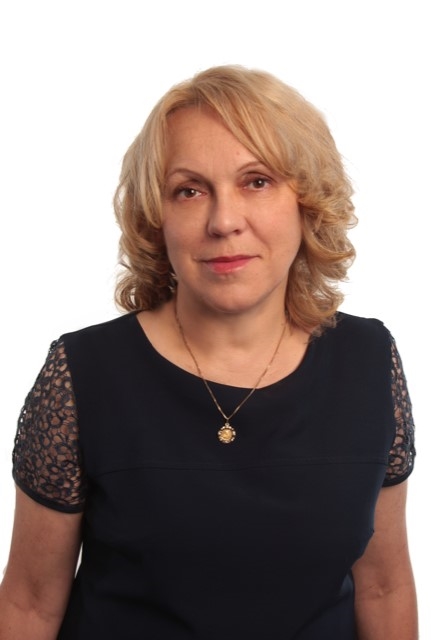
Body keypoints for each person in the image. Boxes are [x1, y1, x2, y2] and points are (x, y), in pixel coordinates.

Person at [0, 65, 417, 639]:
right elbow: (29, 603)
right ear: (156, 217)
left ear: (307, 201)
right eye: (189, 190)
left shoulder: (369, 361)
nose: (223, 222)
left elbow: (384, 587)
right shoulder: (82, 375)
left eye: (257, 181)